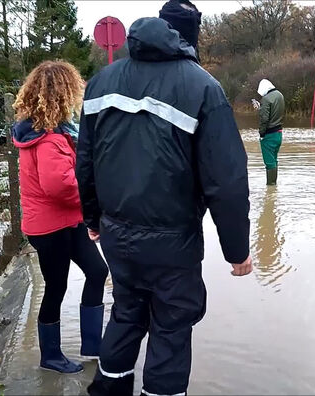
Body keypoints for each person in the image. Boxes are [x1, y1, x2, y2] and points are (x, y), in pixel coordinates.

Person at [77, 5, 252, 395]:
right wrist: (237, 251)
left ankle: (107, 390)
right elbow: (226, 181)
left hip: (117, 235)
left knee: (125, 315)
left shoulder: (101, 82)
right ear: (191, 37)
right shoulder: (204, 87)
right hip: (173, 243)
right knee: (171, 329)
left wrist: (92, 219)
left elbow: (84, 162)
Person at [12, 60, 108, 374]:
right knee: (56, 286)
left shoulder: (58, 133)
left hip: (68, 220)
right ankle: (50, 356)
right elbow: (60, 186)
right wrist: (96, 194)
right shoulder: (49, 139)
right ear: (64, 94)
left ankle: (94, 345)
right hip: (49, 227)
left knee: (96, 271)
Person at [256, 79, 285, 185]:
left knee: (269, 162)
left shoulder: (266, 99)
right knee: (274, 160)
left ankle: (270, 187)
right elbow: (274, 113)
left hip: (269, 134)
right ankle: (274, 185)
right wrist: (261, 108)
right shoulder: (280, 95)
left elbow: (264, 119)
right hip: (278, 133)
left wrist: (261, 134)